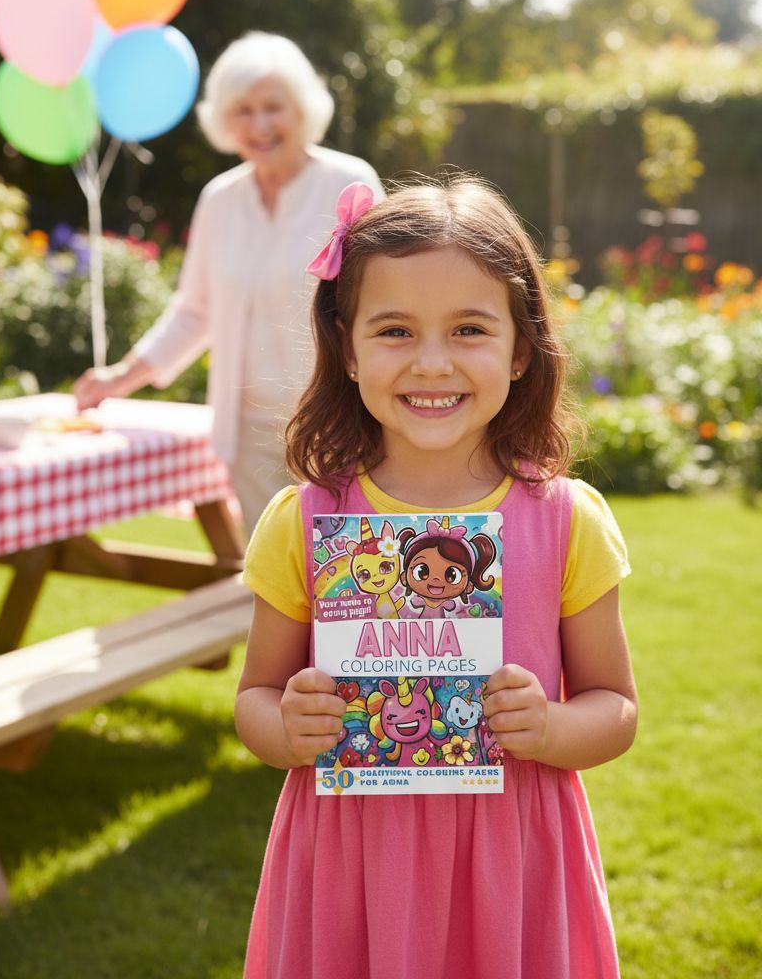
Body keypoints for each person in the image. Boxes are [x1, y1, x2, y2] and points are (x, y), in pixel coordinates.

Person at [235, 175, 638, 979]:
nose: (431, 362)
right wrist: (287, 726)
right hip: (349, 862)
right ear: (348, 348)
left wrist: (552, 728)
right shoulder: (304, 520)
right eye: (394, 330)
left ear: (520, 349)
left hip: (511, 862)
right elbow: (255, 697)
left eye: (468, 329)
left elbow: (616, 707)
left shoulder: (567, 520)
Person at [73, 32, 384, 532]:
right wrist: (121, 377)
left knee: (348, 570)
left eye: (273, 107)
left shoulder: (349, 184)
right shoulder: (220, 199)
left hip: (338, 424)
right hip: (250, 433)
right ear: (224, 119)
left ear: (302, 108)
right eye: (243, 110)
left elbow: (385, 301)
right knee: (267, 573)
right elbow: (195, 310)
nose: (259, 125)